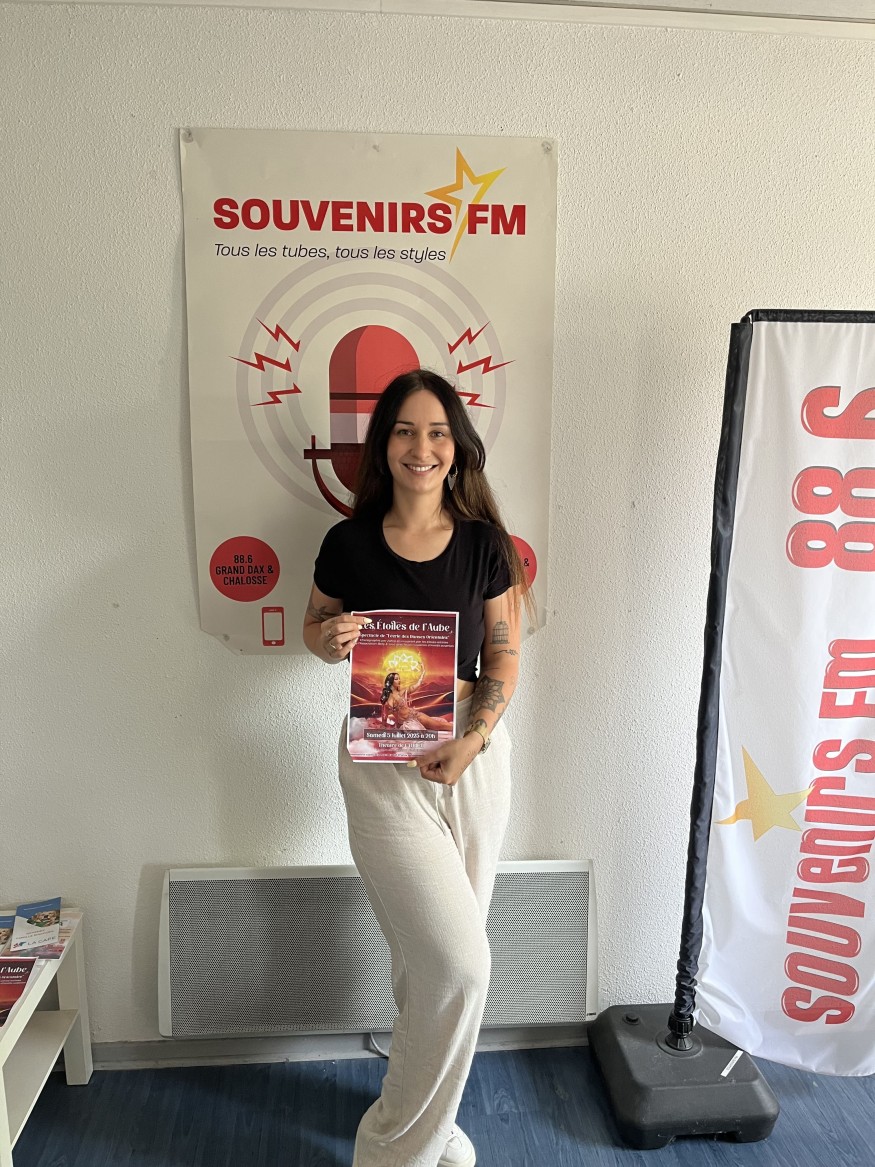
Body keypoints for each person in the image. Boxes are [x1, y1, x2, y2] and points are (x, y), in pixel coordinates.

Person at [303, 368, 528, 1167]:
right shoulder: (347, 541)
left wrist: (474, 739)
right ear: (384, 444)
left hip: (470, 761)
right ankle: (392, 1148)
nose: (420, 446)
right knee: (457, 965)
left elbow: (503, 654)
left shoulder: (484, 543)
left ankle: (432, 1120)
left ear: (456, 446)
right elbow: (315, 626)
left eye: (436, 431)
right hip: (380, 766)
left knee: (427, 966)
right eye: (404, 430)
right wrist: (328, 639)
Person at [380, 671, 453, 733]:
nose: (399, 680)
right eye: (396, 679)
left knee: (438, 725)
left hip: (415, 716)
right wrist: (383, 726)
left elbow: (415, 687)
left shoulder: (401, 692)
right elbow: (384, 714)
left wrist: (422, 675)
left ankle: (456, 728)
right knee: (436, 726)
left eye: (399, 678)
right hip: (406, 723)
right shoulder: (386, 697)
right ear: (390, 681)